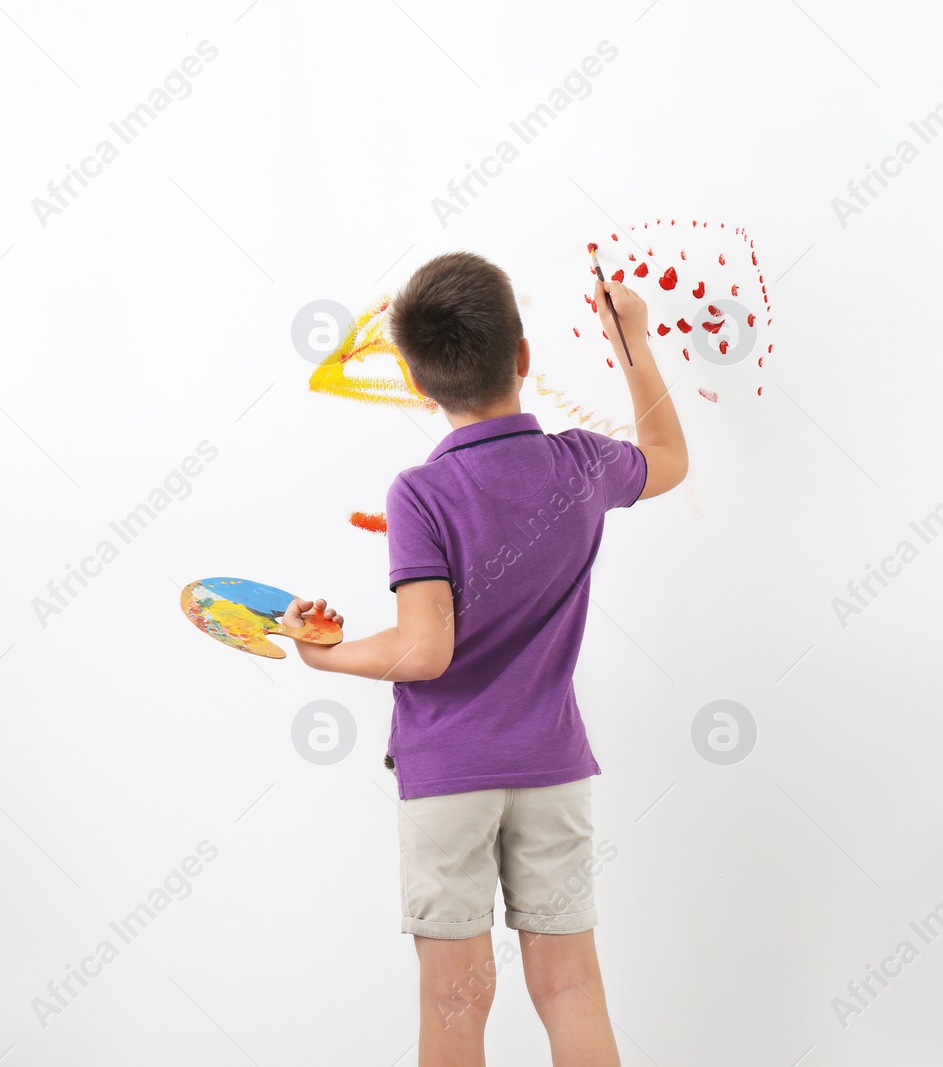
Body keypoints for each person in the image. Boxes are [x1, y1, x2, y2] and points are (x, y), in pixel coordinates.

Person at [283, 250, 687, 1066]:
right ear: (524, 356)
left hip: (450, 777)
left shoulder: (421, 495)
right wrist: (632, 344)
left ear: (419, 383)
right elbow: (670, 461)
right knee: (572, 987)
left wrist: (324, 656)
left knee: (454, 1001)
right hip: (553, 767)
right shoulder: (579, 464)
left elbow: (424, 650)